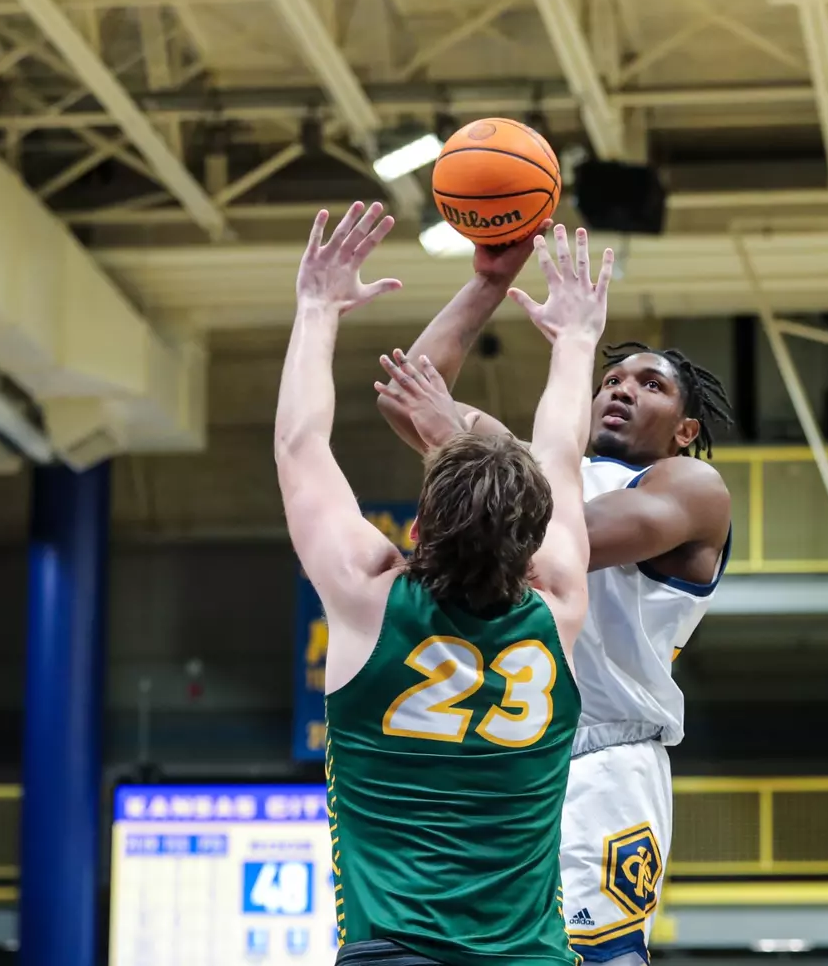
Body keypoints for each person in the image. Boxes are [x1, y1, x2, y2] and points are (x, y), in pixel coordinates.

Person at [376, 235, 734, 966]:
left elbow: (554, 548)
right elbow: (411, 393)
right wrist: (486, 281)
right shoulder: (538, 465)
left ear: (685, 430)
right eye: (611, 378)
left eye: (650, 385)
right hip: (503, 755)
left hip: (602, 761)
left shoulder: (687, 487)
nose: (621, 388)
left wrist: (463, 449)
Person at [275, 201, 616, 966]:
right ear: (533, 542)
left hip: (395, 953)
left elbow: (300, 444)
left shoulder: (367, 597)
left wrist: (317, 306)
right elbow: (561, 453)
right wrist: (575, 341)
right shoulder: (557, 599)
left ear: (415, 530)